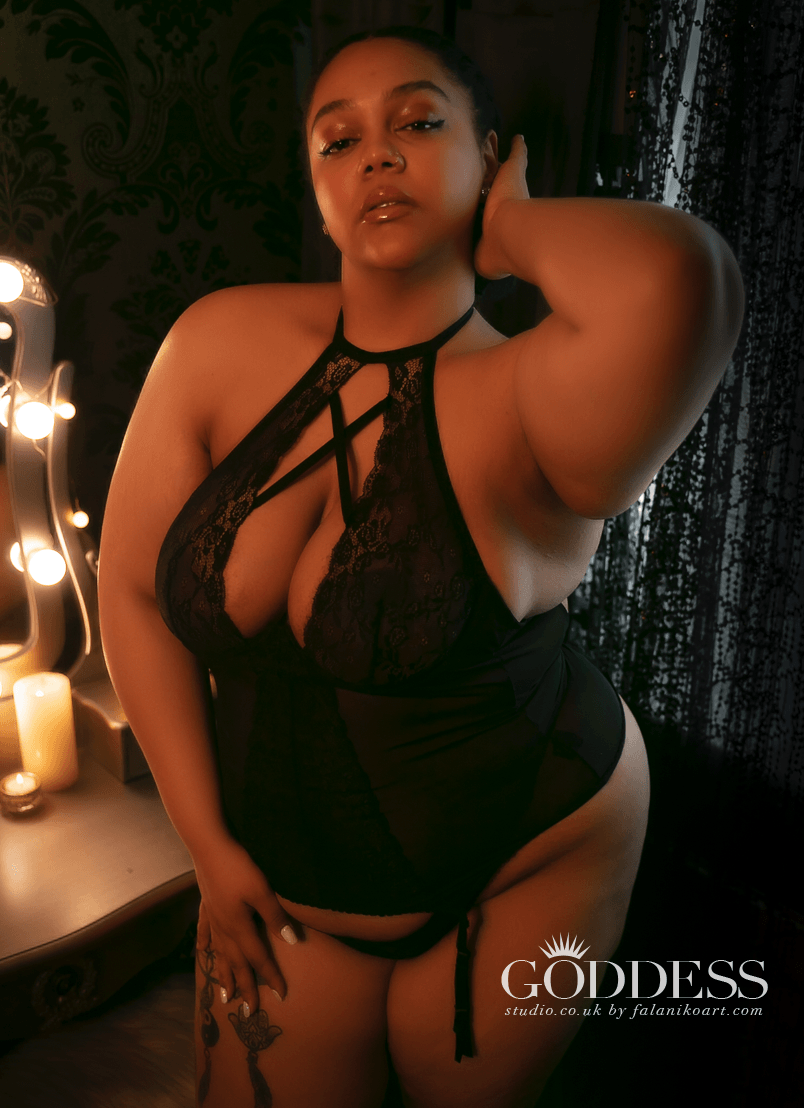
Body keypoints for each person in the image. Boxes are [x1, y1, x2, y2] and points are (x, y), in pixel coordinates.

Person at [98, 25, 744, 1108]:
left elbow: (686, 276)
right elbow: (129, 592)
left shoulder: (535, 391)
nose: (378, 155)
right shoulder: (213, 341)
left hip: (534, 845)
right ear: (316, 190)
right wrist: (209, 848)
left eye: (418, 121)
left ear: (489, 156)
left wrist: (513, 227)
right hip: (292, 870)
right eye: (338, 140)